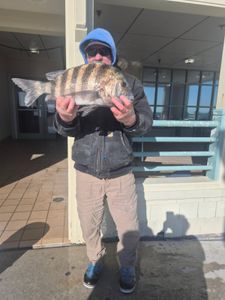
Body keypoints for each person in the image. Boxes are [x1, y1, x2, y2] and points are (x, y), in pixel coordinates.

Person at [54, 27, 153, 294]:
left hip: (121, 171)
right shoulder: (75, 80)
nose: (98, 56)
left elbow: (146, 122)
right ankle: (95, 260)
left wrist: (131, 120)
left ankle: (127, 265)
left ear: (112, 54)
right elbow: (65, 129)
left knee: (129, 227)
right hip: (86, 171)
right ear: (86, 57)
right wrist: (64, 118)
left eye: (104, 51)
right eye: (91, 51)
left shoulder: (129, 83)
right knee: (89, 224)